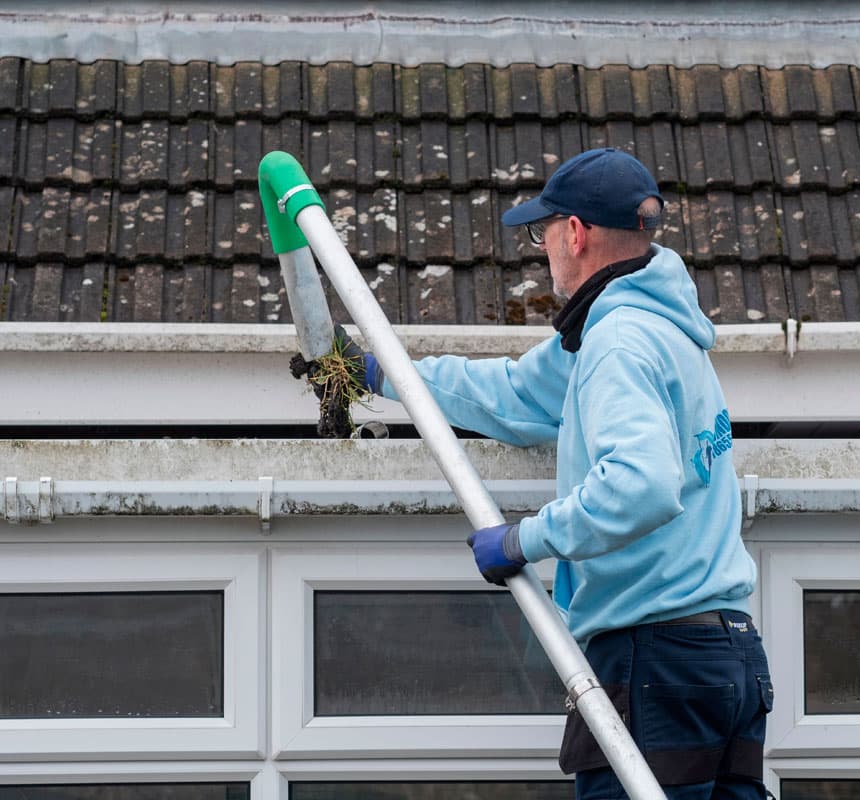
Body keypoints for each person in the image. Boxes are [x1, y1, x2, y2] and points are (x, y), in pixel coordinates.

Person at [293, 147, 772, 799]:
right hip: (731, 657)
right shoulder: (654, 330)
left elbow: (641, 485)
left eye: (544, 232)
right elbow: (515, 395)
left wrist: (525, 541)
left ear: (575, 233)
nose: (543, 249)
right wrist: (384, 375)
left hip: (657, 661)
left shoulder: (617, 345)